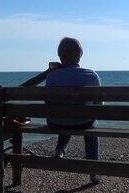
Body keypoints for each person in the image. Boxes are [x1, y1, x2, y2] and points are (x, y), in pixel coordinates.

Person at [46, 37, 101, 184]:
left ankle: (60, 150)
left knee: (65, 117)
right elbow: (99, 105)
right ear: (80, 55)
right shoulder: (92, 76)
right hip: (83, 123)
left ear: (60, 56)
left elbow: (47, 102)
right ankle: (93, 171)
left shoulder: (51, 76)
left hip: (55, 122)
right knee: (90, 123)